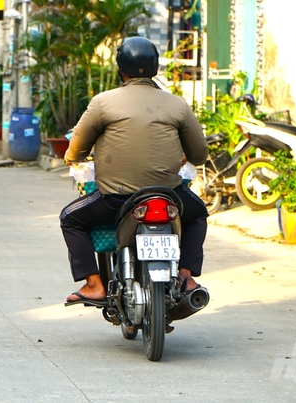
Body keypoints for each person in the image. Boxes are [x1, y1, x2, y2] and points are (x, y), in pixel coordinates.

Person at [60, 36, 209, 304]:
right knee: (198, 215)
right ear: (155, 67)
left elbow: (78, 149)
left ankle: (94, 284)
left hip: (116, 199)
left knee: (70, 218)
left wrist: (73, 157)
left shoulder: (103, 102)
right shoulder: (177, 104)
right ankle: (186, 276)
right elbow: (199, 155)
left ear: (120, 69)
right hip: (170, 195)